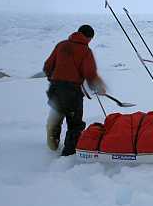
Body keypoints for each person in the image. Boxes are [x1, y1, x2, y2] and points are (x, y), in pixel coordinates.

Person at [43, 24, 106, 156]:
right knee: (75, 123)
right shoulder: (85, 51)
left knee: (58, 113)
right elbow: (90, 73)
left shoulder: (61, 45)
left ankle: (53, 140)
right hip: (72, 92)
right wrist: (98, 86)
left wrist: (54, 79)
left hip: (55, 88)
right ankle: (69, 153)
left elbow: (48, 66)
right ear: (88, 38)